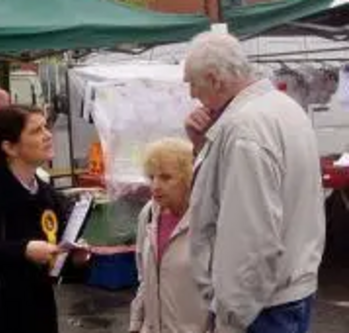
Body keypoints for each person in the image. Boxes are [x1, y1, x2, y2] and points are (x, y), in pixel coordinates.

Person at [183, 32, 326, 333]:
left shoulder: (245, 128)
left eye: (193, 83)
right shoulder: (284, 107)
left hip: (261, 308)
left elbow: (251, 238)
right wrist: (204, 144)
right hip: (289, 291)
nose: (192, 94)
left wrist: (230, 318)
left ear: (215, 79)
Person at [0, 105, 87, 333]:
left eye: (46, 127)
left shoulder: (47, 195)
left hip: (39, 314)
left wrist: (75, 260)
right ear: (9, 147)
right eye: (36, 131)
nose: (48, 135)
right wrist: (23, 249)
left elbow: (54, 262)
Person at [129, 138, 208, 333]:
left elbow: (224, 293)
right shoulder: (148, 214)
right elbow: (144, 280)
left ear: (188, 179)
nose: (155, 185)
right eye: (151, 177)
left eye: (166, 177)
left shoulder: (207, 219)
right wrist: (135, 325)